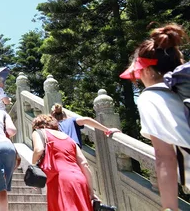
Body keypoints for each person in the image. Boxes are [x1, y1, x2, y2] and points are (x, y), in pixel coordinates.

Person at [120, 23, 190, 209]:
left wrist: (169, 207)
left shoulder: (150, 97)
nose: (138, 80)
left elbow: (164, 156)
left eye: (138, 74)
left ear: (147, 71)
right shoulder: (183, 89)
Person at [31, 114, 97, 211]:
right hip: (79, 179)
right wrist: (91, 191)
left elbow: (38, 150)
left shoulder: (39, 132)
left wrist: (33, 164)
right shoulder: (69, 138)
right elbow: (84, 164)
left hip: (59, 178)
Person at [50, 103, 120, 147]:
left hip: (59, 150)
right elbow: (87, 119)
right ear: (64, 113)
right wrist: (107, 130)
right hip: (73, 148)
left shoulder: (51, 127)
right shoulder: (71, 121)